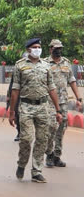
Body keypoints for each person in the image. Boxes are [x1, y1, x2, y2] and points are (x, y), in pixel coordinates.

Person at [9, 38, 62, 183]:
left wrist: (58, 110)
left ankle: (36, 171)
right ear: (28, 50)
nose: (37, 49)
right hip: (26, 107)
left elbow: (52, 88)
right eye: (34, 47)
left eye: (39, 46)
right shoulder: (19, 66)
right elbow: (15, 89)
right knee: (26, 139)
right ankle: (21, 164)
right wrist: (12, 112)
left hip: (43, 107)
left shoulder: (45, 65)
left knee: (42, 139)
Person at [44, 39, 82, 168]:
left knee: (62, 128)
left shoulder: (66, 62)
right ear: (50, 49)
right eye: (56, 48)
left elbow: (72, 80)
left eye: (60, 48)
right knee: (51, 127)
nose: (58, 50)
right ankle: (48, 154)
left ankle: (56, 156)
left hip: (63, 102)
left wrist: (79, 98)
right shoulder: (44, 63)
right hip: (49, 102)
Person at [7, 73, 20, 141]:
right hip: (18, 96)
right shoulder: (18, 67)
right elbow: (12, 84)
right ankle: (19, 133)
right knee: (17, 114)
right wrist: (9, 95)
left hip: (30, 97)